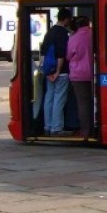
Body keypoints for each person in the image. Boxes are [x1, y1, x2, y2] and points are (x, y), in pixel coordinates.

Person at [40, 8, 73, 136]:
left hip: (48, 71)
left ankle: (47, 126)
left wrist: (48, 72)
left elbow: (43, 53)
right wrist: (58, 72)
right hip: (61, 72)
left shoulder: (50, 32)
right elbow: (61, 55)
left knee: (49, 98)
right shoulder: (62, 33)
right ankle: (57, 128)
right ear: (66, 19)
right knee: (59, 99)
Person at [66, 15, 94, 141]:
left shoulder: (74, 38)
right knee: (94, 101)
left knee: (83, 103)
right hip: (94, 72)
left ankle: (85, 131)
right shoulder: (94, 34)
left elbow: (68, 55)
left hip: (79, 74)